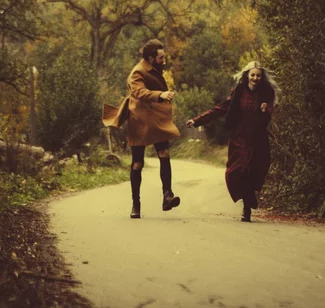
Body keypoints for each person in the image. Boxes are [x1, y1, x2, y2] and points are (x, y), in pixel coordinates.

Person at [186, 61, 279, 222]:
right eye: (252, 75)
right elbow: (220, 109)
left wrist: (266, 109)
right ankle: (247, 198)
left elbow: (270, 110)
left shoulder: (266, 93)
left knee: (255, 169)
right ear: (247, 75)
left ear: (262, 77)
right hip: (240, 137)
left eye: (258, 75)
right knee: (237, 171)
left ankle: (247, 207)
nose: (255, 78)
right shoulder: (238, 92)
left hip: (258, 138)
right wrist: (197, 121)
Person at [102, 39, 181, 219]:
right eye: (161, 57)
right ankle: (135, 204)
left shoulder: (156, 69)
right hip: (138, 121)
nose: (164, 60)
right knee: (138, 163)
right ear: (151, 58)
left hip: (156, 119)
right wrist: (160, 95)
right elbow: (138, 92)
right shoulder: (138, 72)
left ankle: (167, 195)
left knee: (164, 154)